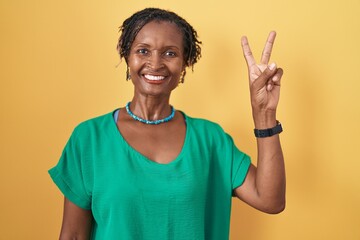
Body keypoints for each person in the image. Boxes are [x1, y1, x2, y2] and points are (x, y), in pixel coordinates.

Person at [49, 7, 286, 240]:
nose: (155, 63)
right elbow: (73, 235)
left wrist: (264, 113)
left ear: (185, 63)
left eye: (170, 53)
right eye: (143, 51)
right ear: (127, 57)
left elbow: (270, 200)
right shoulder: (89, 139)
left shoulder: (210, 140)